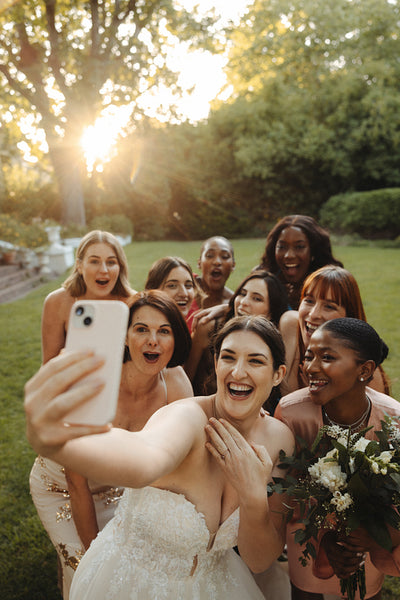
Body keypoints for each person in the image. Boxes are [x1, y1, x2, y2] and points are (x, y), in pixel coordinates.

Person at [25, 315, 295, 600]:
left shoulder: (280, 441)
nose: (238, 372)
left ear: (278, 374)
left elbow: (259, 560)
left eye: (255, 361)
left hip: (217, 585)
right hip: (131, 584)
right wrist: (62, 441)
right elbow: (144, 458)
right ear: (216, 363)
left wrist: (253, 499)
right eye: (228, 357)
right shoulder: (187, 417)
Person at [29, 290, 193, 599]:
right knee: (86, 572)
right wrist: (97, 561)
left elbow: (193, 445)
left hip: (122, 490)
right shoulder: (93, 385)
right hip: (62, 489)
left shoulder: (176, 383)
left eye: (164, 331)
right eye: (141, 329)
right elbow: (76, 484)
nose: (152, 341)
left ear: (177, 340)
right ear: (125, 336)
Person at [275, 318, 400, 600]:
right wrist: (324, 537)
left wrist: (375, 535)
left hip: (366, 544)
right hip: (307, 539)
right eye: (309, 356)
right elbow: (282, 496)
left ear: (365, 370)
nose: (311, 367)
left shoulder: (393, 420)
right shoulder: (292, 414)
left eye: (327, 357)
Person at [186, 271, 297, 407]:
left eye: (257, 299)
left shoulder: (274, 345)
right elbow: (186, 379)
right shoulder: (209, 328)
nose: (243, 302)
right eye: (243, 294)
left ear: (271, 312)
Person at [284, 265, 390, 395]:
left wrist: (312, 396)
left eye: (329, 306)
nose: (313, 314)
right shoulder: (290, 327)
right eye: (309, 301)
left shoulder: (365, 374)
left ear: (349, 318)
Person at [41, 230, 136, 364]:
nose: (103, 270)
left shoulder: (134, 303)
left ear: (119, 266)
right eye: (94, 261)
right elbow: (48, 365)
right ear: (80, 266)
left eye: (111, 262)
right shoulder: (57, 302)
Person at [256, 215, 343, 310]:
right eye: (282, 247)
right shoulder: (263, 279)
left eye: (299, 247)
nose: (289, 255)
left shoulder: (330, 285)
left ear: (313, 250)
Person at [144, 256, 203, 331]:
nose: (184, 294)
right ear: (152, 290)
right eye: (172, 286)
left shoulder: (197, 327)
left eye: (188, 285)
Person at [194, 235, 236, 309]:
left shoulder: (235, 304)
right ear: (199, 263)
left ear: (233, 265)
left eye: (225, 256)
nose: (217, 262)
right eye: (210, 255)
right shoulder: (185, 291)